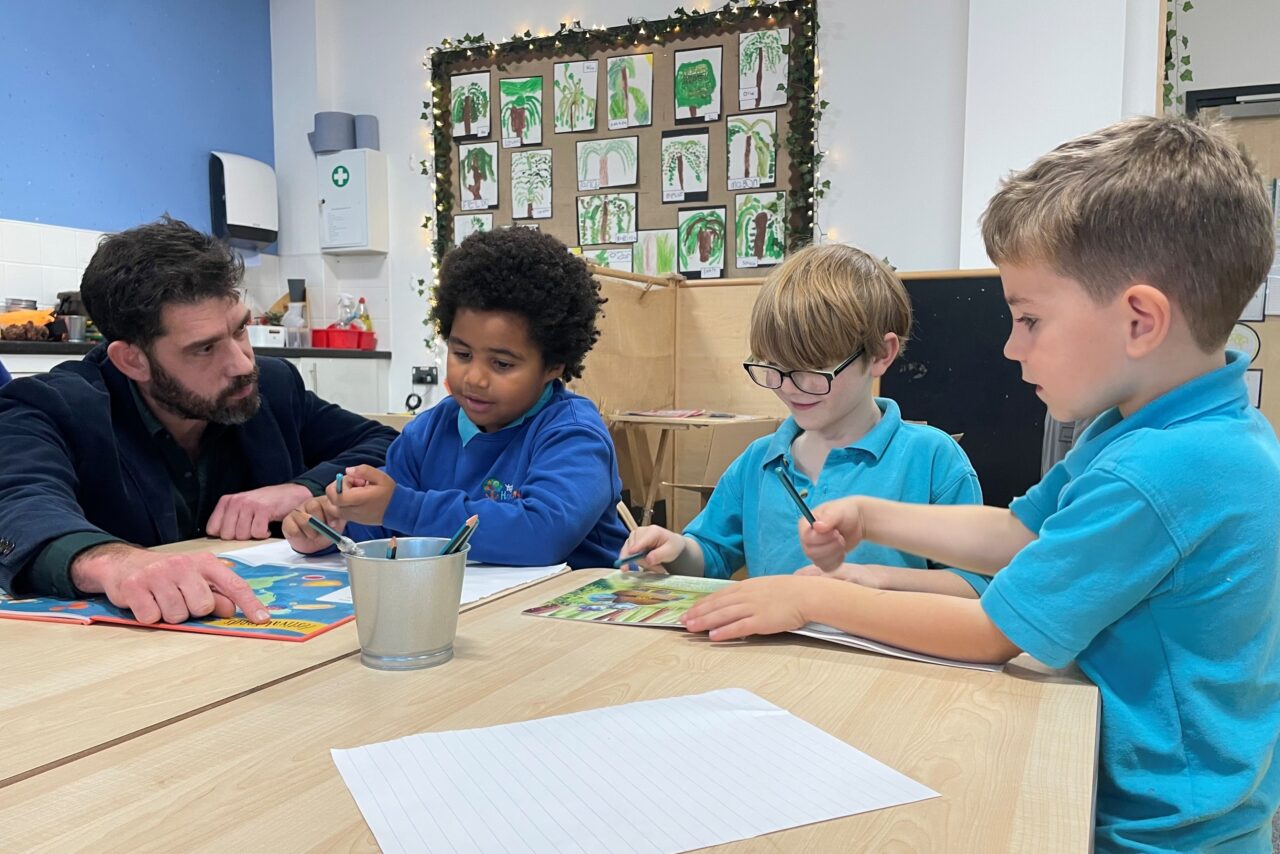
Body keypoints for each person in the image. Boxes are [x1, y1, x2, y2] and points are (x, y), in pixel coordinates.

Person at [683, 116, 1280, 851]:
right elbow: (1020, 533)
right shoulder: (1162, 428)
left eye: (1029, 319)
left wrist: (811, 595)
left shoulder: (1160, 469)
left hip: (1161, 831)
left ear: (1139, 321)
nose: (1010, 346)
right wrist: (872, 515)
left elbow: (992, 632)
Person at [0, 216, 398, 625]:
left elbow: (388, 446)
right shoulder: (51, 406)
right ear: (131, 360)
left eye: (240, 329)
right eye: (205, 349)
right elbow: (19, 505)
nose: (242, 364)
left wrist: (303, 489)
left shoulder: (272, 387)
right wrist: (113, 562)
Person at [618, 243, 986, 596]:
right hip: (780, 656)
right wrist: (676, 550)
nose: (790, 387)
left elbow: (975, 587)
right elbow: (712, 556)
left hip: (883, 659)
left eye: (812, 369)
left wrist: (874, 583)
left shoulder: (934, 459)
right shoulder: (759, 461)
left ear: (880, 354)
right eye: (775, 367)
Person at [283, 227, 627, 568]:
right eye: (462, 354)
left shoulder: (574, 434)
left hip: (574, 613)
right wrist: (332, 526)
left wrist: (403, 507)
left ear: (553, 364)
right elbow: (386, 523)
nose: (475, 378)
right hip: (475, 608)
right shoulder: (428, 432)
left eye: (502, 364)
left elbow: (541, 535)